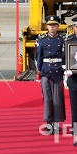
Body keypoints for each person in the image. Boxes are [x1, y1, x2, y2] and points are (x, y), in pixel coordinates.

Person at [35, 15, 66, 134]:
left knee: (57, 98)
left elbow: (65, 57)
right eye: (50, 25)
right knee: (47, 98)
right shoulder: (41, 40)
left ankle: (57, 122)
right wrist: (39, 71)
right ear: (47, 26)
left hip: (58, 70)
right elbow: (38, 57)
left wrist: (65, 70)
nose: (52, 27)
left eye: (54, 25)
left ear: (58, 26)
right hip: (46, 71)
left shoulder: (62, 40)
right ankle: (49, 123)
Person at [64, 16, 77, 146]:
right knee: (75, 108)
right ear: (74, 28)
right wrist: (66, 74)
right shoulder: (69, 41)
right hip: (74, 79)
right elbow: (64, 60)